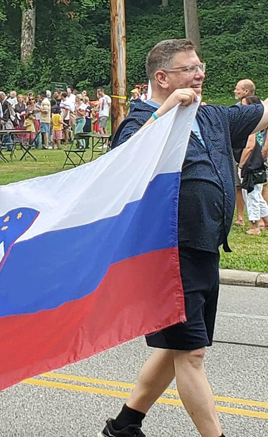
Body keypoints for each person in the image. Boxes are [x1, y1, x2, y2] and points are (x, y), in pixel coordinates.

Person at [102, 39, 268, 437]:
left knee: (179, 345)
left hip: (205, 249)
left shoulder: (211, 117)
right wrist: (165, 110)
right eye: (189, 69)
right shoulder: (141, 117)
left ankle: (124, 426)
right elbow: (122, 164)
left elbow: (262, 116)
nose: (200, 74)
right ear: (162, 77)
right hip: (167, 255)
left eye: (200, 66)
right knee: (191, 353)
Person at [239, 95, 268, 235]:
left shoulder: (251, 125)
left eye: (244, 105)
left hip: (250, 165)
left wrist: (241, 164)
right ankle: (266, 222)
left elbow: (249, 146)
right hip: (259, 163)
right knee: (257, 194)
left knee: (250, 194)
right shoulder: (262, 123)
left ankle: (254, 226)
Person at [232, 79, 256, 226]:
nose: (235, 91)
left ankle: (259, 220)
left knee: (258, 185)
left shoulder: (256, 109)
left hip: (250, 153)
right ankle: (240, 218)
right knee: (238, 186)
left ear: (246, 92)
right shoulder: (236, 108)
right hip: (240, 152)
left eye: (238, 89)